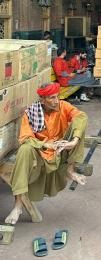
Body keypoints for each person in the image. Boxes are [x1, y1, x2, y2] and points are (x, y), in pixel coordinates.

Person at [5, 82, 88, 225]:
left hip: (61, 148)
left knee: (80, 121)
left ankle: (70, 170)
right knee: (24, 149)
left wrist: (73, 142)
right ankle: (18, 205)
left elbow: (81, 117)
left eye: (57, 97)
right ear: (42, 100)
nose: (56, 101)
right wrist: (45, 144)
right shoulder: (31, 112)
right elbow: (25, 138)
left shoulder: (63, 106)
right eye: (52, 98)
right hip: (41, 152)